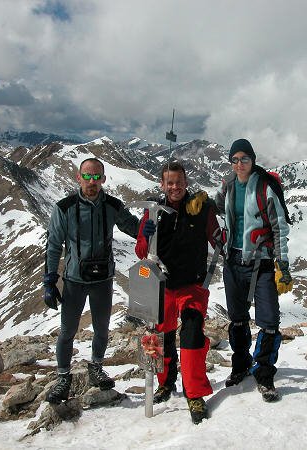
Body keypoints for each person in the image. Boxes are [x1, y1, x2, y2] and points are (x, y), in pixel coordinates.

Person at [43, 157, 139, 404]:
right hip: (74, 280)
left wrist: (147, 229)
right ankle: (63, 377)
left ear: (103, 179)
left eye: (97, 176)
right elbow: (53, 245)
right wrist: (50, 280)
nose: (92, 181)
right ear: (78, 178)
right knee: (67, 331)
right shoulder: (65, 208)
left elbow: (133, 227)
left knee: (102, 329)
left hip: (103, 280)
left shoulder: (113, 206)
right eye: (87, 176)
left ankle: (96, 367)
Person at [135, 161, 220, 424]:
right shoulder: (153, 212)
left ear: (186, 182)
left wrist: (219, 227)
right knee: (160, 336)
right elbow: (141, 252)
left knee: (192, 331)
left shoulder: (201, 208)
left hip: (192, 285)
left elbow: (219, 239)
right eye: (170, 183)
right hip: (161, 284)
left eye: (179, 182)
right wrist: (146, 235)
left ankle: (194, 393)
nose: (175, 187)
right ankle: (164, 382)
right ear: (162, 185)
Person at [215, 138, 293, 402]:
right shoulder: (228, 185)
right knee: (237, 318)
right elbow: (216, 208)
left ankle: (264, 372)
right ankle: (241, 365)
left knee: (269, 321)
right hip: (233, 260)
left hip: (261, 263)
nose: (240, 164)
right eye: (235, 160)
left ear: (253, 160)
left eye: (244, 159)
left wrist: (282, 265)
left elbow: (279, 227)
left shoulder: (265, 187)